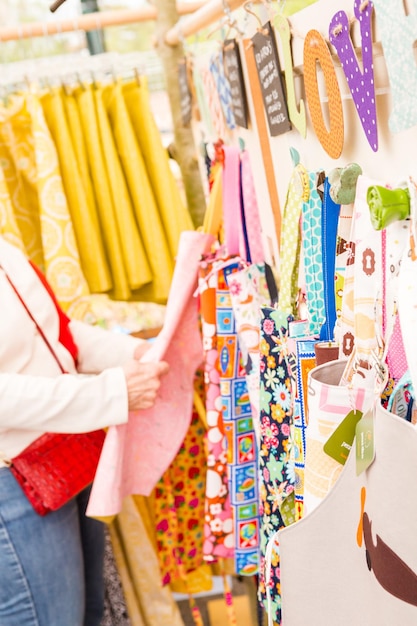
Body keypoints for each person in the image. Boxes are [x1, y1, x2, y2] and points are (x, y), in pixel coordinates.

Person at [0, 236, 169, 626]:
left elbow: (53, 334)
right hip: (14, 480)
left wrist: (132, 354)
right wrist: (109, 392)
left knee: (87, 612)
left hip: (62, 455)